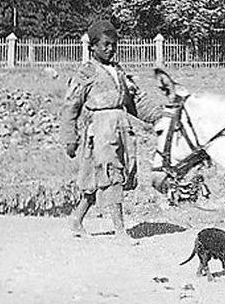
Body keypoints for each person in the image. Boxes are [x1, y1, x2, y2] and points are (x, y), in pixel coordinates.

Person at [61, 19, 161, 241]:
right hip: (101, 130)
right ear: (93, 47)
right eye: (105, 44)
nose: (110, 49)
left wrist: (158, 117)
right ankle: (120, 231)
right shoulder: (87, 72)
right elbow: (71, 105)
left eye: (113, 44)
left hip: (121, 129)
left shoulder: (118, 71)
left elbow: (135, 101)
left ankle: (76, 220)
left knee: (100, 179)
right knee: (111, 174)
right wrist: (70, 137)